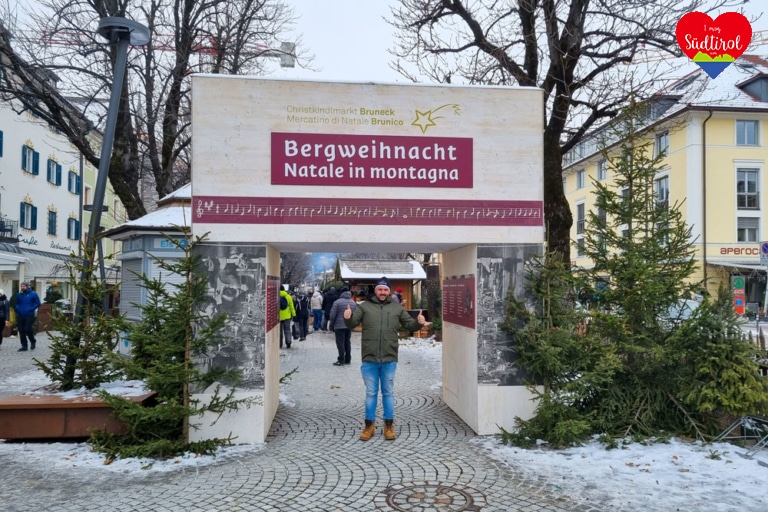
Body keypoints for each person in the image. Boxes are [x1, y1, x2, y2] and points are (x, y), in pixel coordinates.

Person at [344, 276, 427, 441]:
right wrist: (347, 317)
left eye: (385, 290)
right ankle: (369, 426)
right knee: (371, 393)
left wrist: (418, 323)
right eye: (380, 289)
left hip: (389, 357)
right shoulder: (365, 307)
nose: (382, 292)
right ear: (375, 291)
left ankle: (389, 426)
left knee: (388, 393)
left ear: (389, 291)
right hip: (369, 358)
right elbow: (352, 324)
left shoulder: (397, 308)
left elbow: (409, 325)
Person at [328, 289, 356, 366]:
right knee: (347, 342)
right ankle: (348, 359)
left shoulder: (337, 302)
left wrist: (331, 324)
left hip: (339, 326)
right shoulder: (353, 302)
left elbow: (332, 315)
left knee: (340, 342)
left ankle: (341, 359)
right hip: (348, 325)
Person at [14, 281, 41, 351]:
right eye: (21, 286)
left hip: (29, 314)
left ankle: (33, 341)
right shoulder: (19, 295)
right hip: (20, 314)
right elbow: (17, 303)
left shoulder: (33, 294)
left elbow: (38, 303)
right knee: (21, 330)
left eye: (24, 286)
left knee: (28, 329)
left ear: (27, 286)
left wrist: (31, 309)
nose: (22, 287)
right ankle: (24, 345)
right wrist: (17, 308)